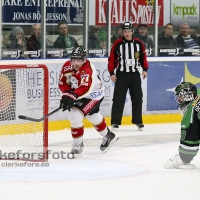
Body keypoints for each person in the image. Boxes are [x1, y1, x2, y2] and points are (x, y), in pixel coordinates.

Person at [58, 46, 118, 157]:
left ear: (84, 60)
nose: (76, 63)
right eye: (74, 60)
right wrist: (67, 95)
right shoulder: (67, 66)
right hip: (80, 95)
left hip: (93, 94)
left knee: (74, 115)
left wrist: (72, 96)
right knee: (93, 115)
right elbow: (62, 83)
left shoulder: (88, 69)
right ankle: (108, 135)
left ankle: (78, 145)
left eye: (80, 60)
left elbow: (85, 88)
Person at [108, 21, 148, 131]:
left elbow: (142, 58)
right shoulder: (118, 43)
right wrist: (112, 72)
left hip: (135, 74)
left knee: (137, 98)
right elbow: (111, 59)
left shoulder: (139, 44)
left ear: (132, 31)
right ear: (122, 32)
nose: (127, 33)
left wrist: (144, 69)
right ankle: (115, 122)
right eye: (125, 31)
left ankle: (138, 121)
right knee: (118, 99)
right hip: (122, 74)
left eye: (129, 31)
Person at [164, 82, 199, 169]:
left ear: (188, 96)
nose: (179, 99)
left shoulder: (191, 112)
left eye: (181, 96)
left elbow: (190, 139)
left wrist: (184, 158)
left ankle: (182, 159)